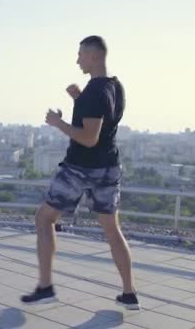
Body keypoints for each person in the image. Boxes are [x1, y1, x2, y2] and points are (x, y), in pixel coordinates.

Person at [21, 36, 140, 310]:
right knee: (112, 230)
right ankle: (129, 292)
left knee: (44, 219)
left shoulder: (96, 92)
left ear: (94, 56)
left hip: (80, 167)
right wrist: (78, 98)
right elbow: (104, 118)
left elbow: (89, 138)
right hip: (108, 167)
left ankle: (45, 287)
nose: (77, 60)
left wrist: (57, 122)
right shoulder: (114, 86)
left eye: (81, 56)